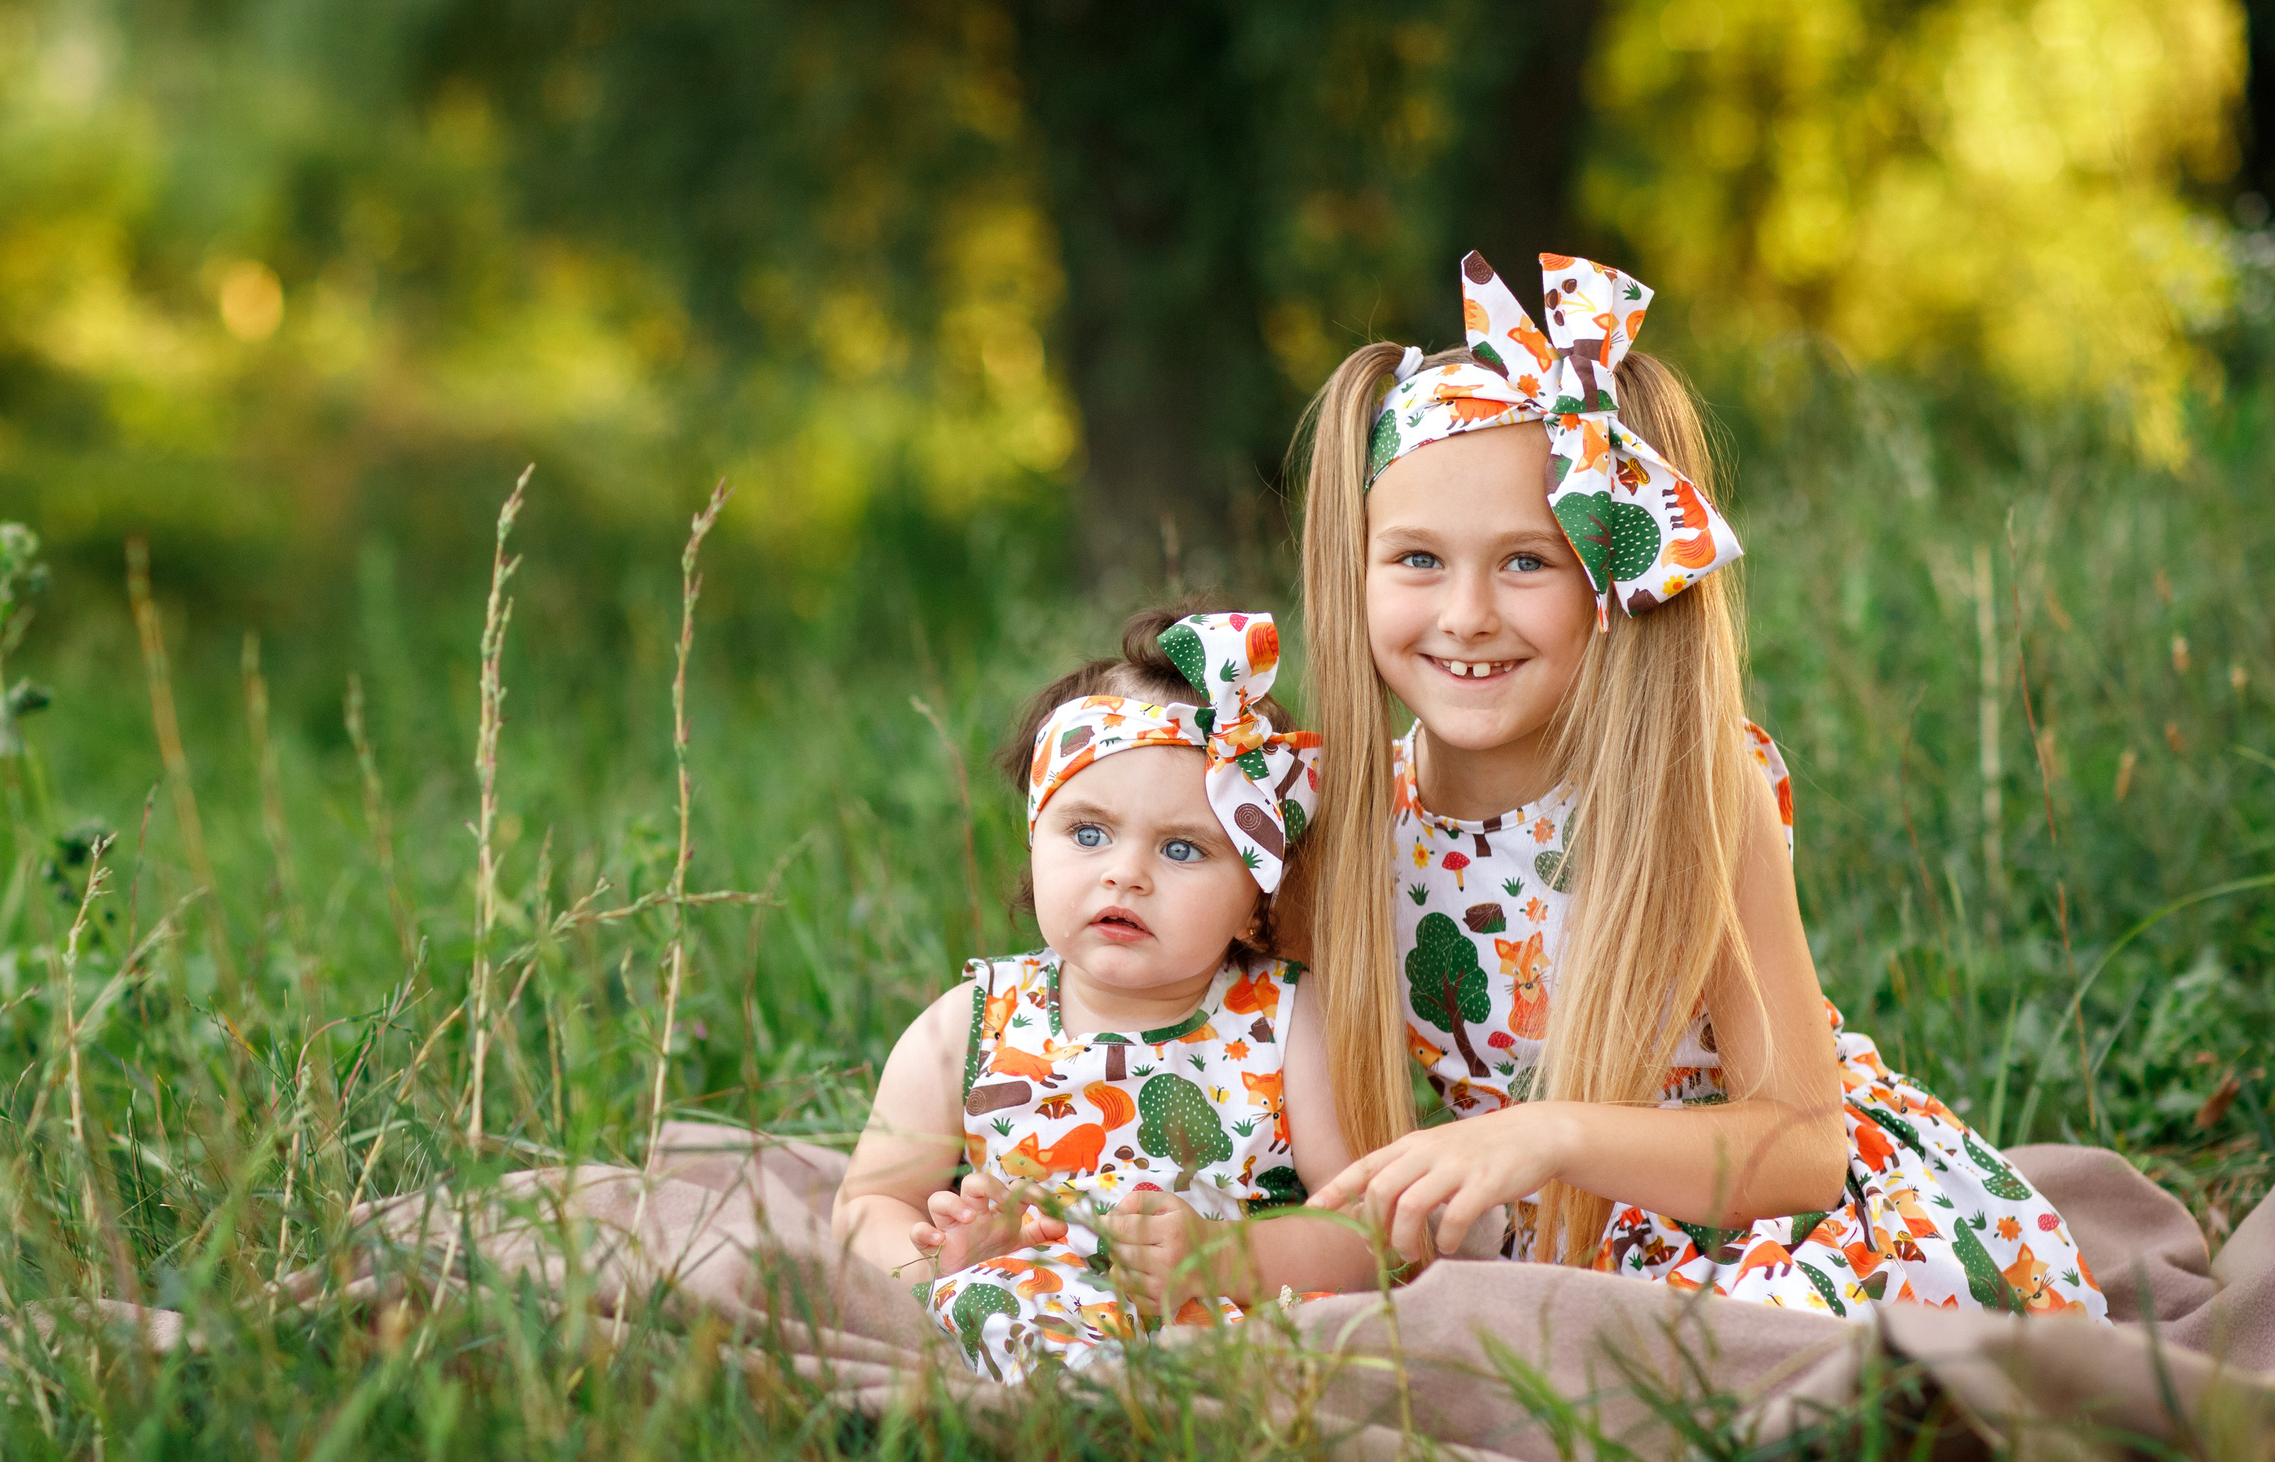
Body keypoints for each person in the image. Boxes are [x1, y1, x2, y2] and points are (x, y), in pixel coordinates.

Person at [1296, 252, 2106, 1319]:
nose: (1466, 613)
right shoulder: (1335, 825)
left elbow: (1802, 1150)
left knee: (1773, 1362)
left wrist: (1549, 1135)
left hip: (1753, 1218)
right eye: (1415, 561)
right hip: (1523, 1248)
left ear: (1617, 579)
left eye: (1529, 562)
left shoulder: (1686, 794)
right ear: (1349, 566)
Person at [832, 608, 1381, 1380]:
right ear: (1034, 837)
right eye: (1088, 833)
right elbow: (865, 1206)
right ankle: (1058, 1420)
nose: (1126, 872)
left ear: (1259, 895)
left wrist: (1225, 1258)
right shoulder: (971, 1024)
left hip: (1219, 1331)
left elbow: (1371, 1228)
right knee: (991, 1304)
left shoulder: (1289, 1019)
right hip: (1025, 1310)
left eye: (1183, 847)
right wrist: (942, 1260)